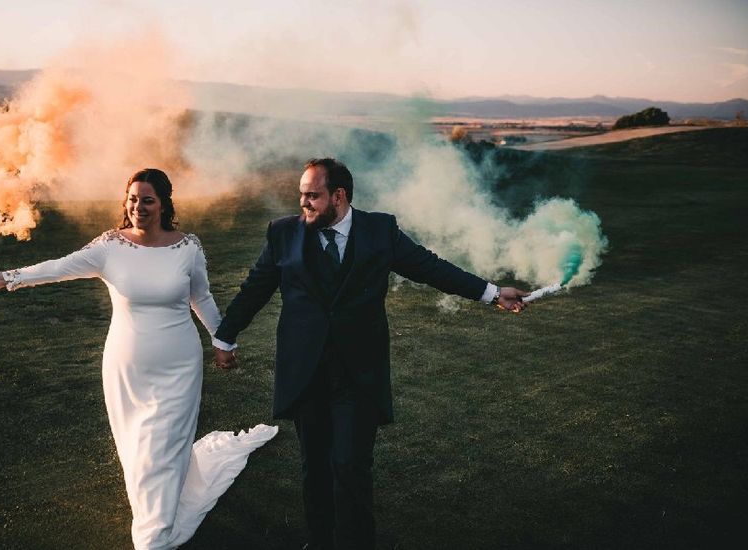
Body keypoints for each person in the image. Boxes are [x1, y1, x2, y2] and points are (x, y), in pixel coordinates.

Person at [212, 158, 528, 549]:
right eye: (302, 195)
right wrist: (225, 337)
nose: (303, 203)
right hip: (304, 373)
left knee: (350, 465)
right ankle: (320, 541)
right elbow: (256, 287)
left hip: (358, 373)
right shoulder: (283, 234)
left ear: (339, 196)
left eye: (313, 195)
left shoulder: (380, 231)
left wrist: (492, 293)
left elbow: (431, 268)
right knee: (316, 469)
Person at [0, 168, 277, 550]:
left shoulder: (188, 248)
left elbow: (201, 297)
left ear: (164, 204)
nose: (138, 207)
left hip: (179, 365)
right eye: (132, 199)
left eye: (147, 200)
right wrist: (7, 277)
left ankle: (155, 535)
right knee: (138, 446)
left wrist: (222, 339)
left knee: (163, 443)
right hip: (126, 366)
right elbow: (58, 267)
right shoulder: (110, 247)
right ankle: (157, 509)